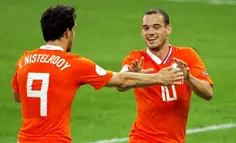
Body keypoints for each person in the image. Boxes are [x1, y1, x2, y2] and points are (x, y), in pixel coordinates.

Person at [10, 5, 185, 143]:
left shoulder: (24, 60)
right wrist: (159, 77)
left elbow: (18, 97)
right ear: (67, 32)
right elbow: (120, 79)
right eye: (74, 30)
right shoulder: (74, 64)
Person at [118, 8, 214, 143]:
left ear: (167, 29)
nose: (150, 32)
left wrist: (188, 78)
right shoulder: (136, 59)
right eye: (146, 28)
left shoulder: (186, 55)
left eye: (156, 27)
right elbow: (121, 83)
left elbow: (208, 93)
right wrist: (136, 76)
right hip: (142, 138)